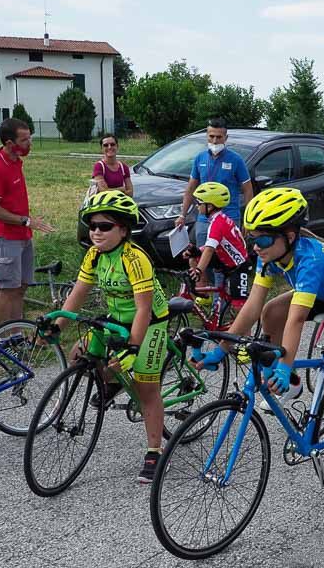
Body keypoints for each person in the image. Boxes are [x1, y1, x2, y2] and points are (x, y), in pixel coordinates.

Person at [197, 187, 324, 521]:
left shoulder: (310, 259)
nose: (256, 246)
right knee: (271, 311)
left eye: (262, 239)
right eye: (252, 237)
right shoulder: (268, 254)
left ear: (289, 235)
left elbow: (297, 320)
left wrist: (284, 364)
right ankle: (295, 383)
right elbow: (253, 307)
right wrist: (222, 348)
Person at [53, 191, 169, 483]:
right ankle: (113, 381)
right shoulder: (94, 255)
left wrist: (132, 348)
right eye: (92, 226)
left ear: (123, 230)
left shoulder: (135, 258)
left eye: (104, 226)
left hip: (149, 321)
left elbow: (143, 309)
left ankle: (155, 451)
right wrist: (57, 326)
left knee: (146, 388)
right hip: (117, 318)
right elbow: (77, 294)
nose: (96, 232)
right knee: (79, 354)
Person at [0, 118, 55, 326]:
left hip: (23, 236)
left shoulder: (15, 160)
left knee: (21, 288)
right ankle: (3, 336)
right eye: (24, 140)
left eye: (30, 138)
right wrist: (25, 221)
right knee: (7, 290)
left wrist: (27, 225)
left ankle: (16, 333)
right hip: (6, 239)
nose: (29, 143)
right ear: (9, 143)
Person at [175, 117, 254, 251]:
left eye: (219, 137)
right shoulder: (200, 158)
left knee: (227, 257)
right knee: (201, 255)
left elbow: (248, 189)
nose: (215, 141)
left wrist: (248, 219)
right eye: (211, 136)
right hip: (204, 218)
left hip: (229, 217)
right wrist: (182, 215)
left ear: (226, 138)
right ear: (207, 136)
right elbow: (190, 189)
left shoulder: (236, 160)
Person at [185, 182, 252, 308]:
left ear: (209, 206)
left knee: (239, 306)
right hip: (225, 259)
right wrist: (196, 251)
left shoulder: (217, 224)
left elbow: (210, 250)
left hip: (239, 266)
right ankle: (203, 293)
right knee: (193, 256)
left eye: (199, 203)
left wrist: (199, 270)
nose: (197, 206)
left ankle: (246, 321)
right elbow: (212, 246)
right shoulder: (217, 219)